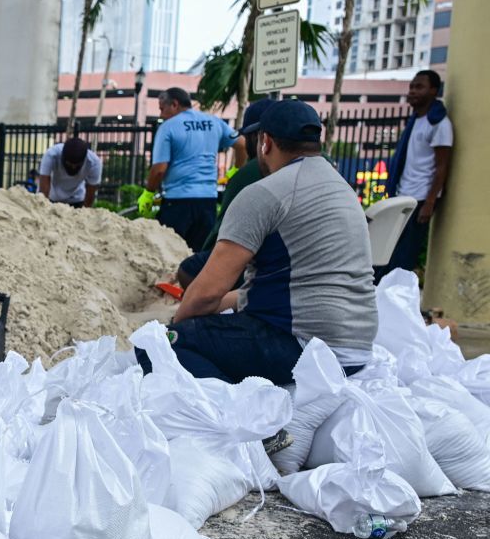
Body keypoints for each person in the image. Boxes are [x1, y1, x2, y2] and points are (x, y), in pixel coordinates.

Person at [136, 100, 377, 389]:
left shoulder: (265, 193)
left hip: (304, 348)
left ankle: (249, 421)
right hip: (356, 348)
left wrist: (177, 327)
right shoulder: (341, 188)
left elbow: (206, 293)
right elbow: (267, 291)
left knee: (158, 346)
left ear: (265, 142)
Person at [176, 97, 273, 287]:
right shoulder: (325, 165)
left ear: (259, 138)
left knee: (189, 270)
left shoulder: (252, 173)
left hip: (261, 265)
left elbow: (221, 238)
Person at [143, 87, 247, 252]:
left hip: (177, 202)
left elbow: (159, 169)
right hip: (208, 201)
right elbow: (242, 144)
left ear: (175, 104)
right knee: (200, 258)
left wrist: (148, 193)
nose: (161, 114)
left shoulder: (168, 127)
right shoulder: (214, 122)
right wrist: (235, 170)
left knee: (170, 254)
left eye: (162, 108)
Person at [378, 69, 453, 277]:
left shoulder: (439, 124)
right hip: (402, 194)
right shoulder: (414, 121)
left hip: (420, 199)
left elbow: (442, 166)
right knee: (387, 254)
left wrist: (429, 203)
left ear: (434, 90)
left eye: (419, 87)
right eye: (411, 86)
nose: (412, 91)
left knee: (404, 258)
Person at [37, 138, 102, 207]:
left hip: (77, 199)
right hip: (51, 197)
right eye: (69, 165)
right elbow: (44, 184)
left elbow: (90, 193)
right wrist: (43, 206)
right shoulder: (51, 155)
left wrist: (85, 211)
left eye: (77, 166)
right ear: (62, 157)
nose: (73, 168)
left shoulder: (94, 163)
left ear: (84, 160)